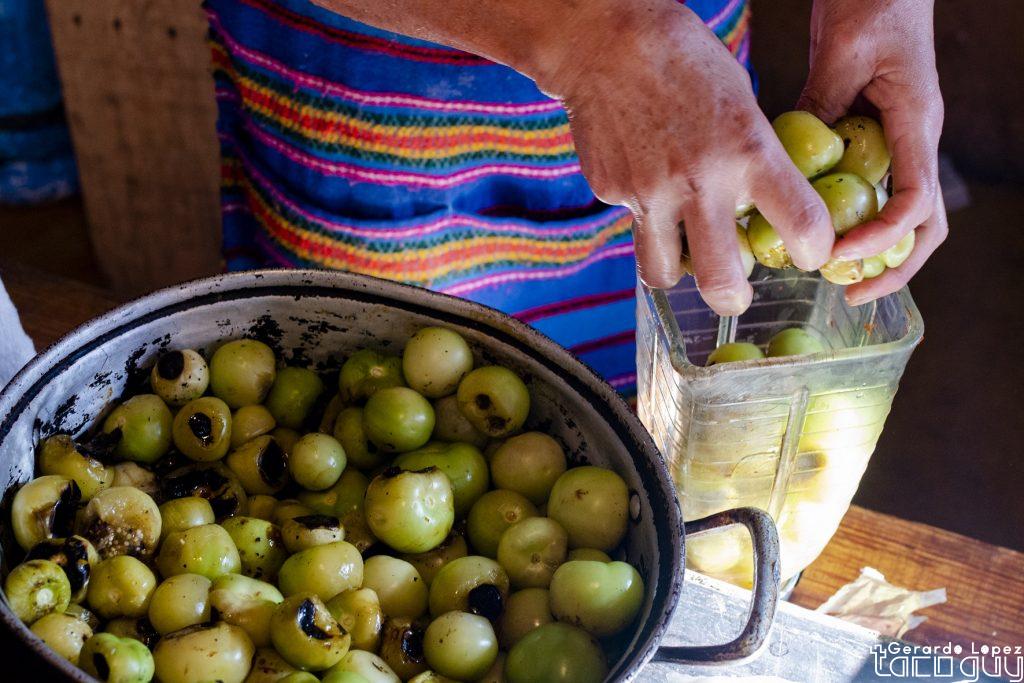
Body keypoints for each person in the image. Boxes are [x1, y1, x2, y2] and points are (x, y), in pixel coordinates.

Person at [204, 0, 945, 398]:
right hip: (394, 101)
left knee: (642, 401)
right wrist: (589, 39)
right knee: (395, 404)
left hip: (692, 78)